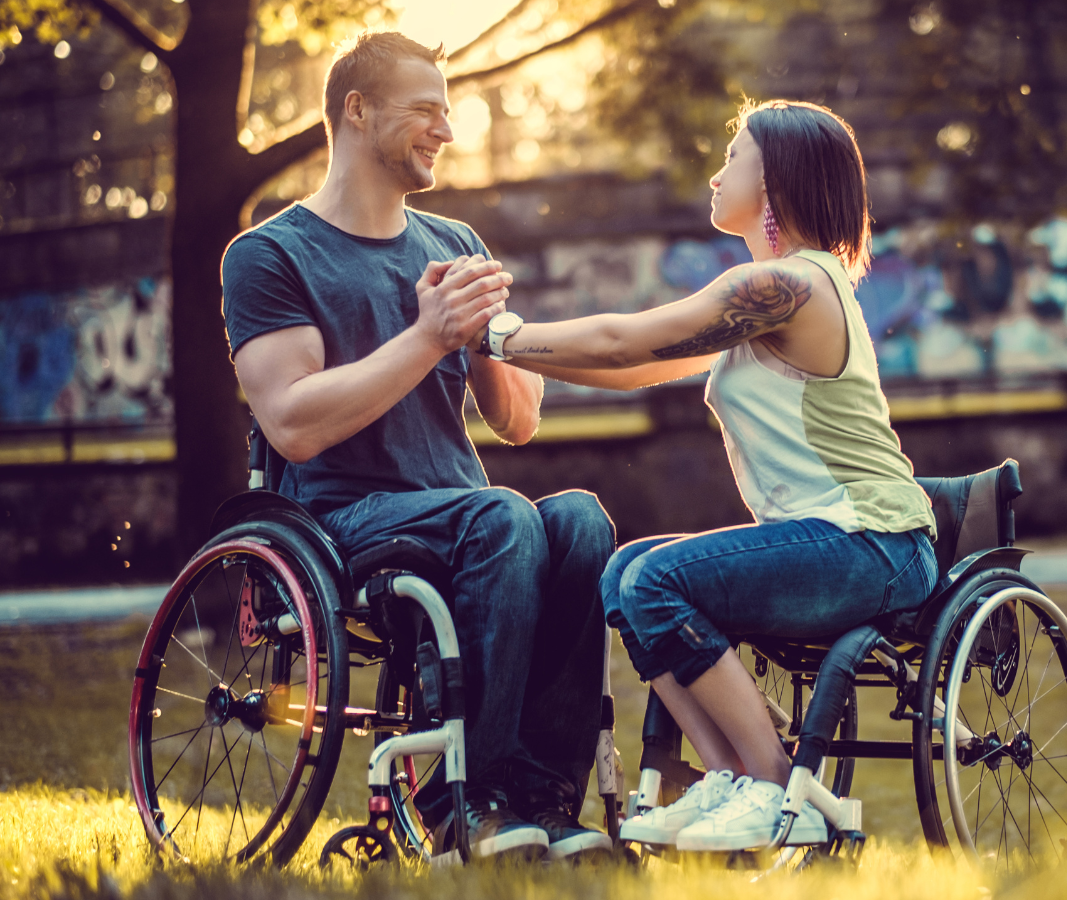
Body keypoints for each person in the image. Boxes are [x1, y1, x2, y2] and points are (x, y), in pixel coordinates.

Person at [487, 99, 939, 852]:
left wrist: (492, 331)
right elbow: (632, 365)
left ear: (775, 179)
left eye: (734, 155)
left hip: (874, 542)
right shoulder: (765, 299)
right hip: (833, 541)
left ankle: (771, 780)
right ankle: (731, 774)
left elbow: (621, 338)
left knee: (658, 579)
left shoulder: (785, 288)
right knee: (624, 571)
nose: (715, 171)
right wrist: (503, 351)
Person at [219, 31, 614, 864]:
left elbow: (518, 423)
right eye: (427, 110)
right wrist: (429, 337)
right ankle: (465, 803)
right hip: (340, 523)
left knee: (578, 519)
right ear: (357, 111)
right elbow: (291, 419)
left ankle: (544, 800)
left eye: (449, 110)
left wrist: (482, 341)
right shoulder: (269, 254)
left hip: (465, 513)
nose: (446, 129)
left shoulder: (456, 244)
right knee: (504, 519)